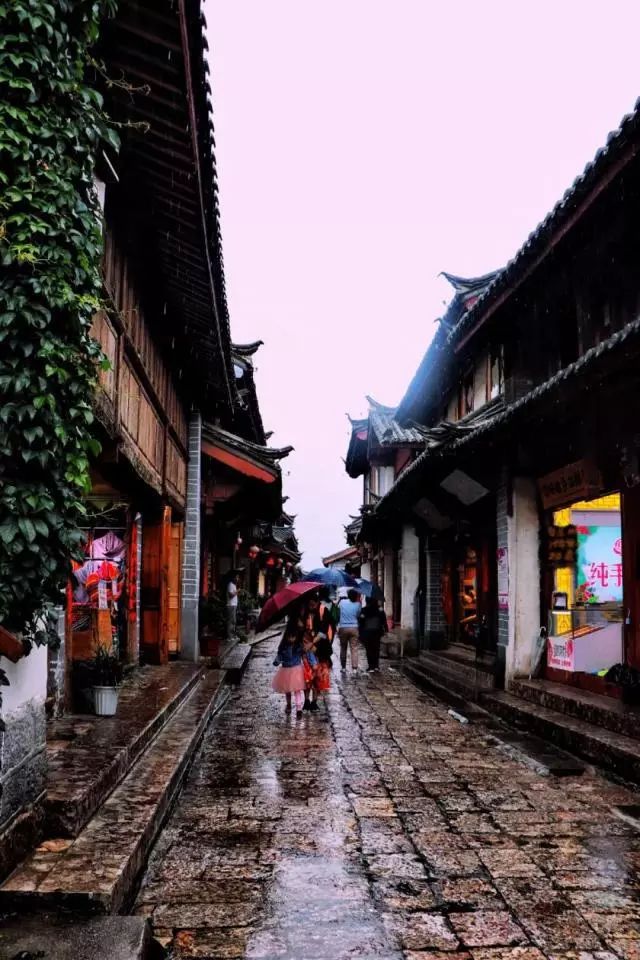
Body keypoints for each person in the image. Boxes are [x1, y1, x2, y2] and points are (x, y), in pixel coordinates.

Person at [272, 618, 306, 717]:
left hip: (296, 670)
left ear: (296, 637)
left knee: (297, 689)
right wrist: (276, 661)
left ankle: (299, 707)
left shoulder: (298, 646)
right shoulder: (283, 647)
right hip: (286, 670)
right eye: (289, 637)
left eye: (293, 637)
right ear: (286, 637)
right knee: (287, 690)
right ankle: (289, 704)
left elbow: (304, 654)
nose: (291, 639)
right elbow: (279, 656)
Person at [358, 596, 388, 672]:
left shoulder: (364, 610)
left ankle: (371, 666)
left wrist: (360, 632)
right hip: (377, 632)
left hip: (367, 632)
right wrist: (386, 629)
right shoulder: (380, 609)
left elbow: (361, 621)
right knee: (376, 648)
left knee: (369, 649)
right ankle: (376, 666)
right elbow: (383, 620)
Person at [337, 588, 362, 672]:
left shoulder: (342, 602)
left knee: (343, 648)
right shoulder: (358, 604)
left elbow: (338, 611)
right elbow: (358, 615)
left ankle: (343, 668)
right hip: (354, 627)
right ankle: (354, 669)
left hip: (343, 627)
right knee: (354, 648)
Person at [226, 573, 239, 639]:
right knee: (231, 621)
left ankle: (232, 635)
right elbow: (231, 595)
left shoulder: (234, 585)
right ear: (233, 578)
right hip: (231, 605)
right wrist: (237, 592)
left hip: (234, 605)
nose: (237, 579)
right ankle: (230, 636)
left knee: (233, 621)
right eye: (236, 577)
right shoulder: (230, 585)